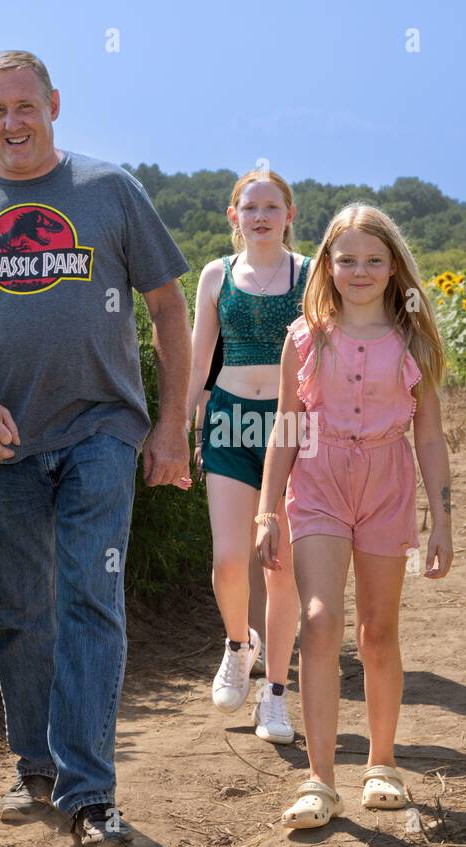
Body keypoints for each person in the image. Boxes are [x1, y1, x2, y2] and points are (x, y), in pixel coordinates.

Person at [0, 50, 192, 847]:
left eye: (25, 106)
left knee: (88, 599)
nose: (12, 123)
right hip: (3, 442)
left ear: (54, 105)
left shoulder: (109, 192)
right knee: (18, 611)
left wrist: (172, 425)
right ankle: (33, 763)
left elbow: (169, 307)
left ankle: (90, 795)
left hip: (102, 426)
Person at [254, 202, 454, 829]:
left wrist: (441, 520)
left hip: (387, 486)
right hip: (317, 483)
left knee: (377, 629)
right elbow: (285, 429)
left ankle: (383, 763)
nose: (360, 270)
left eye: (373, 259)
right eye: (347, 260)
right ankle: (318, 781)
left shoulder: (414, 338)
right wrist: (267, 511)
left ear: (394, 266)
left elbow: (429, 436)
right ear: (328, 265)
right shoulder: (305, 337)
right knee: (318, 620)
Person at [186, 170, 308, 744]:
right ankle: (239, 644)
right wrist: (184, 424)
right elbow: (200, 359)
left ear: (289, 214)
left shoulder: (310, 276)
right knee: (230, 560)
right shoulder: (215, 276)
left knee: (279, 566)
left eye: (271, 206)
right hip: (229, 422)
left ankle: (276, 697)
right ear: (233, 216)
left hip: (292, 430)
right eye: (249, 207)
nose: (260, 216)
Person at [193, 332, 268, 678]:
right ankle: (243, 640)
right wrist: (198, 435)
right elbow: (206, 373)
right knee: (238, 553)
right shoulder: (227, 295)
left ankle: (263, 644)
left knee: (268, 546)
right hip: (228, 427)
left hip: (284, 423)